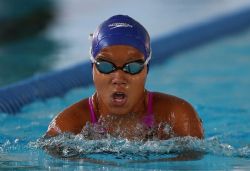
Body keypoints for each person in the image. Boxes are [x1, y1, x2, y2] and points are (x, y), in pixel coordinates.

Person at [45, 15, 204, 140]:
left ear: (146, 69)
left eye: (132, 66)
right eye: (106, 65)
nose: (119, 78)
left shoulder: (176, 116)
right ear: (92, 68)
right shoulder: (67, 125)